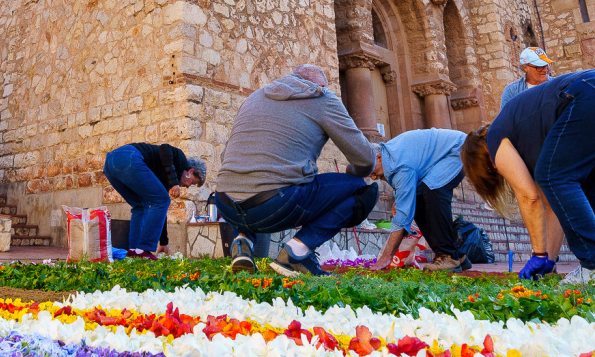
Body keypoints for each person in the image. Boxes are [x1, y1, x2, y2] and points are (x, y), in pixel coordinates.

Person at [213, 64, 378, 277]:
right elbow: (366, 158)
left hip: (225, 204)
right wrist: (356, 170)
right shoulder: (322, 97)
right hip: (273, 206)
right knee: (361, 190)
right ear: (319, 85)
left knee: (251, 180)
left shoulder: (254, 97)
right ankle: (297, 252)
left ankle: (242, 242)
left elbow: (224, 157)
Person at [461, 69, 595, 284]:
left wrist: (538, 254)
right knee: (585, 186)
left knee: (553, 177)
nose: (499, 170)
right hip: (588, 88)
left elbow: (529, 197)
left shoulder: (495, 137)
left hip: (583, 94)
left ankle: (592, 266)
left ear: (485, 160)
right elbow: (552, 205)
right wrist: (549, 261)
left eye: (491, 169)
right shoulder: (531, 136)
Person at [354, 128, 470, 273]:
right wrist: (399, 201)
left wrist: (386, 256)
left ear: (378, 157)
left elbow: (402, 216)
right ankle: (457, 256)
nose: (373, 177)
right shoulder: (391, 159)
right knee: (419, 200)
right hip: (447, 154)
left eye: (371, 171)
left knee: (433, 190)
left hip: (457, 149)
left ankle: (447, 256)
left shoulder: (399, 165)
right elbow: (406, 192)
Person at [103, 142, 206, 257]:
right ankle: (143, 249)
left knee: (141, 206)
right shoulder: (180, 159)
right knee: (162, 200)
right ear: (191, 172)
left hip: (110, 163)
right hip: (128, 157)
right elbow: (164, 148)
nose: (187, 187)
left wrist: (163, 242)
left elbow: (160, 211)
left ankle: (134, 251)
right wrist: (174, 182)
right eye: (192, 183)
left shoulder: (165, 178)